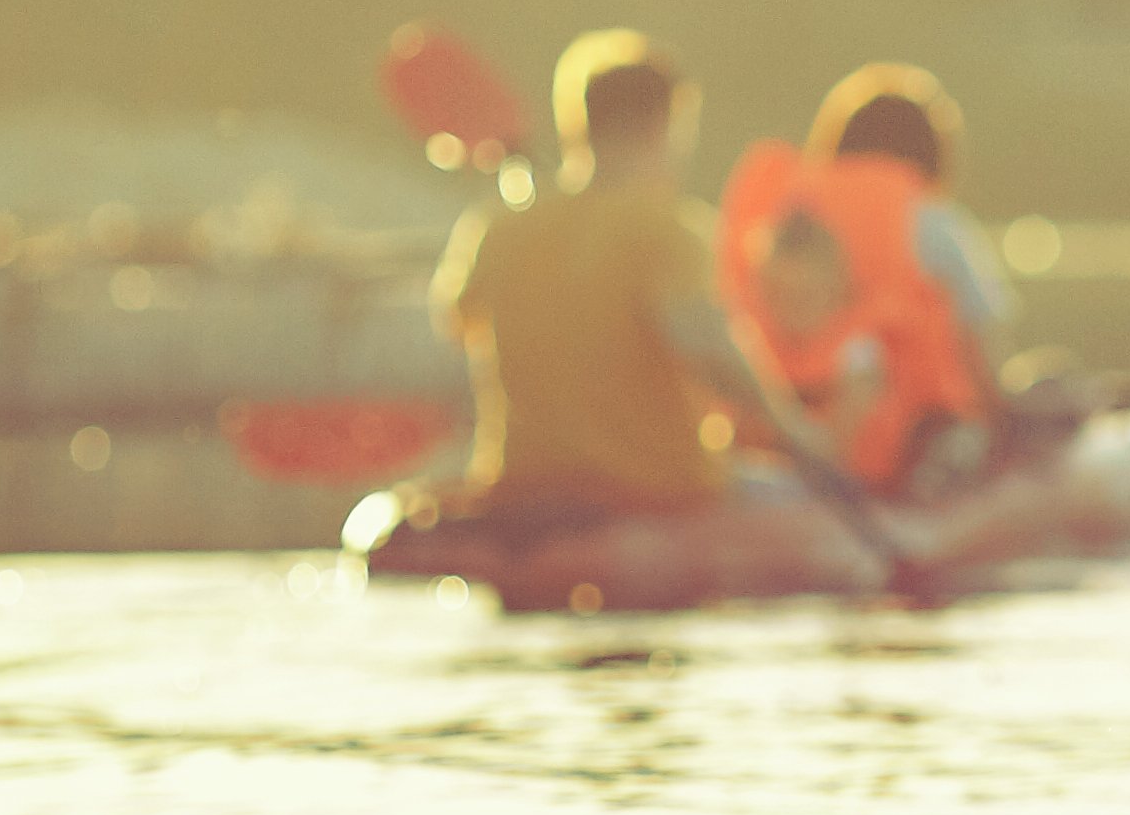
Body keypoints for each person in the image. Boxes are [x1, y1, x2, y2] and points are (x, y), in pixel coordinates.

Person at [430, 32, 855, 524]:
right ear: (666, 125)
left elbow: (453, 323)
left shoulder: (498, 229)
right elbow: (710, 351)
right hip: (657, 490)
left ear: (577, 123)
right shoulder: (668, 230)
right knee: (811, 501)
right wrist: (797, 435)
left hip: (521, 488)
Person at [717, 62, 1021, 497]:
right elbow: (986, 355)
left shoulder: (777, 217)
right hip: (910, 453)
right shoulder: (931, 217)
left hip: (778, 442)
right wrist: (1013, 428)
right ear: (931, 154)